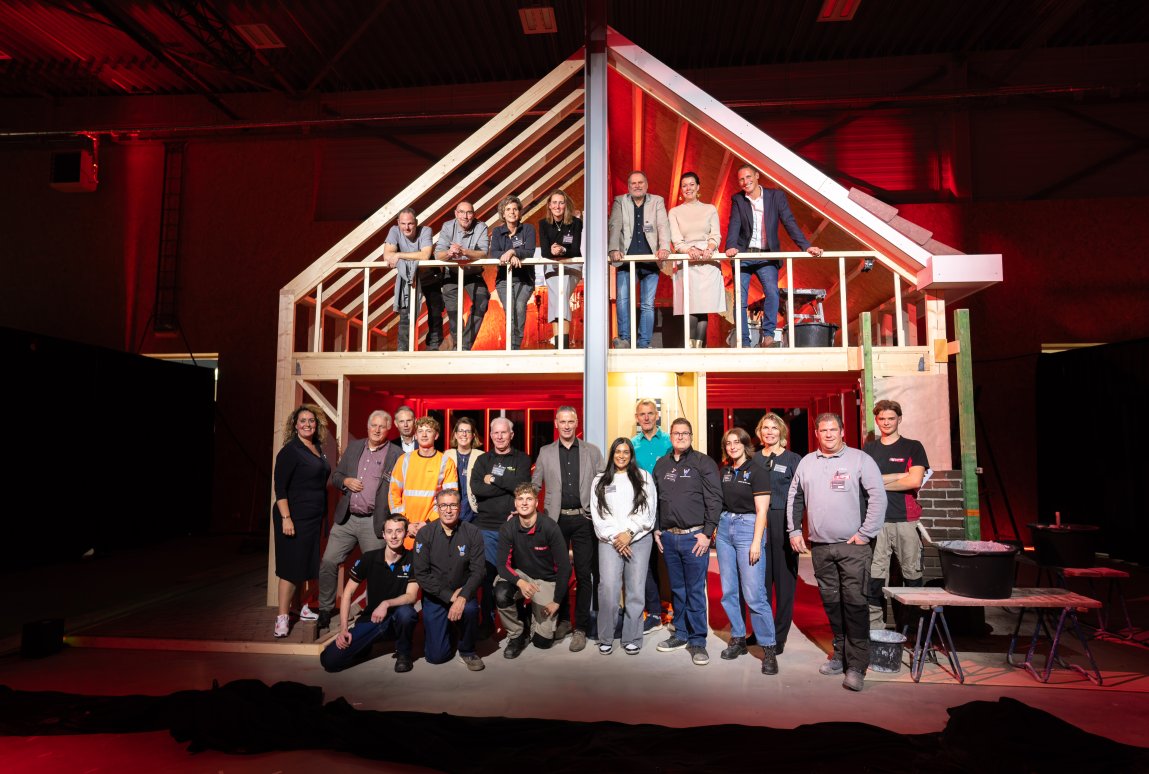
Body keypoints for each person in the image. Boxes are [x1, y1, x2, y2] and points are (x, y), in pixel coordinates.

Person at [787, 413, 886, 692]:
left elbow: (878, 497)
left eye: (833, 429)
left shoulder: (860, 460)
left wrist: (865, 533)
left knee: (854, 604)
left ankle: (856, 666)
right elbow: (794, 498)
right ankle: (840, 655)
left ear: (842, 431)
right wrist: (794, 531)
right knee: (832, 604)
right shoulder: (807, 463)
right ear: (816, 433)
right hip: (821, 548)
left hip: (853, 547)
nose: (829, 434)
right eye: (823, 430)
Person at [318, 410, 404, 629]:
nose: (377, 430)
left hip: (374, 522)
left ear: (388, 429)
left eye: (381, 426)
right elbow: (336, 476)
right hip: (346, 520)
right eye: (373, 425)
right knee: (328, 561)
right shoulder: (355, 447)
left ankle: (375, 613)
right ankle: (325, 610)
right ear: (367, 427)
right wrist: (346, 481)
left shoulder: (397, 454)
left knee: (378, 569)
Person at [724, 164, 823, 348]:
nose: (745, 182)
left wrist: (806, 247)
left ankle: (768, 336)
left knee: (772, 292)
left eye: (748, 177)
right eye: (741, 179)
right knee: (740, 298)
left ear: (757, 175)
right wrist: (730, 247)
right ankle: (744, 341)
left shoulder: (776, 196)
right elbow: (734, 224)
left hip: (767, 255)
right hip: (744, 254)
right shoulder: (738, 199)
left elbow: (789, 222)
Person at [531, 406, 604, 652]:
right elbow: (535, 484)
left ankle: (581, 627)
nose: (566, 426)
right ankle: (563, 621)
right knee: (559, 573)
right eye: (562, 422)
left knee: (584, 575)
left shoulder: (592, 451)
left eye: (570, 421)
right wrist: (524, 505)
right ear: (556, 423)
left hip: (584, 519)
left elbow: (603, 484)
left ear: (577, 423)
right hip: (555, 520)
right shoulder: (545, 452)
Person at [653, 418, 722, 665]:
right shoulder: (661, 464)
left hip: (695, 538)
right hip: (669, 538)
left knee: (694, 591)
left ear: (691, 436)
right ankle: (681, 633)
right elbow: (655, 499)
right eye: (676, 433)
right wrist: (657, 529)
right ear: (670, 436)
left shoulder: (703, 462)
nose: (680, 437)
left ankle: (697, 640)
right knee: (677, 589)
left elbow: (715, 499)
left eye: (685, 433)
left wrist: (707, 533)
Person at [319, 515, 419, 673]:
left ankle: (404, 653)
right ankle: (366, 642)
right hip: (373, 619)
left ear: (406, 533)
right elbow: (348, 593)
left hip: (396, 620)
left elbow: (411, 596)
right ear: (383, 534)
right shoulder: (369, 558)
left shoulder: (413, 559)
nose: (394, 536)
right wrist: (344, 629)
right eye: (389, 531)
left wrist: (386, 604)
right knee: (329, 660)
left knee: (406, 613)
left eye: (399, 531)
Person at [715, 428, 779, 675]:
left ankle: (769, 649)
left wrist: (756, 542)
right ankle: (739, 638)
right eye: (728, 443)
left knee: (754, 594)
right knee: (729, 591)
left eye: (737, 442)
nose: (732, 446)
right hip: (725, 530)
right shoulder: (725, 472)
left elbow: (762, 511)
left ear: (745, 444)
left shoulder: (758, 471)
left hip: (748, 529)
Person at [863, 399, 930, 629]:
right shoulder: (869, 449)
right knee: (875, 579)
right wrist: (899, 476)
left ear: (899, 419)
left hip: (905, 521)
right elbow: (865, 482)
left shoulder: (913, 447)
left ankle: (913, 632)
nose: (886, 422)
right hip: (877, 521)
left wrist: (878, 482)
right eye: (882, 418)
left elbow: (914, 481)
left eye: (891, 418)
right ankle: (876, 631)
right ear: (876, 420)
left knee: (912, 576)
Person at [591, 438, 657, 655]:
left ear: (631, 455)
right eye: (617, 451)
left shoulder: (644, 477)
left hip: (638, 540)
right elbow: (598, 514)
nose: (621, 455)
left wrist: (629, 533)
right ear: (612, 454)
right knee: (608, 589)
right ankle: (606, 637)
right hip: (609, 541)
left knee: (635, 590)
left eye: (626, 452)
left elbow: (649, 511)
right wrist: (616, 537)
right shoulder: (600, 480)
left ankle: (632, 637)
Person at [470, 417, 533, 638]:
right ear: (490, 435)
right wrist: (508, 483)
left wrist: (494, 479)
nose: (499, 436)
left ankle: (520, 623)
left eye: (503, 432)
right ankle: (487, 622)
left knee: (515, 578)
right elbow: (477, 488)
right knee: (487, 577)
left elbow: (522, 486)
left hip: (513, 528)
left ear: (511, 435)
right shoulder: (482, 460)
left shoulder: (522, 459)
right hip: (486, 528)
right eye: (495, 433)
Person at [271, 404, 330, 638]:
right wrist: (286, 518)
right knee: (290, 568)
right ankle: (282, 618)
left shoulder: (316, 448)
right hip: (293, 516)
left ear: (316, 425)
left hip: (313, 517)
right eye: (303, 421)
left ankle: (301, 607)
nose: (307, 424)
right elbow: (280, 488)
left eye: (311, 421)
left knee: (307, 564)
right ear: (295, 425)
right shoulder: (290, 451)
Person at [412, 489, 486, 670]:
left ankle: (467, 650)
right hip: (435, 596)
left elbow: (479, 571)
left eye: (453, 505)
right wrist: (450, 596)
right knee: (436, 657)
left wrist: (463, 596)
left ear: (460, 507)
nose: (448, 510)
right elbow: (421, 574)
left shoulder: (473, 532)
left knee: (469, 609)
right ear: (437, 508)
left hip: (463, 591)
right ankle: (450, 629)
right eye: (443, 505)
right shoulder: (425, 534)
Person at [495, 484, 572, 658]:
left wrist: (556, 602)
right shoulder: (508, 527)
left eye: (529, 499)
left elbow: (564, 567)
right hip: (522, 576)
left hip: (546, 581)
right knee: (501, 592)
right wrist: (520, 582)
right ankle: (517, 634)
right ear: (515, 503)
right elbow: (502, 565)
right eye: (520, 499)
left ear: (536, 503)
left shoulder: (550, 527)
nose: (524, 503)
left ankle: (531, 615)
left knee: (542, 642)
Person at [752, 412, 803, 654]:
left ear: (781, 431)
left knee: (784, 584)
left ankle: (779, 636)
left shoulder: (793, 459)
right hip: (757, 524)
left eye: (774, 428)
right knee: (759, 582)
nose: (770, 432)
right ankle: (761, 632)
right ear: (760, 432)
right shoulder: (753, 459)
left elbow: (800, 495)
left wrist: (796, 528)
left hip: (783, 522)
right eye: (765, 428)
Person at [608, 170, 670, 349]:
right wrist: (613, 248)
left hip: (650, 261)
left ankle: (644, 343)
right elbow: (615, 225)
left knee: (647, 304)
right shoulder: (620, 201)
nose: (637, 186)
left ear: (646, 185)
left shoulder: (657, 201)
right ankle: (625, 339)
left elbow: (663, 225)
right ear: (628, 187)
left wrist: (664, 247)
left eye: (640, 182)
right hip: (626, 260)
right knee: (623, 300)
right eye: (633, 183)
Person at [668, 172, 725, 348]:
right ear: (681, 189)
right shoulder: (674, 212)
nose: (688, 188)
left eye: (691, 184)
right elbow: (676, 239)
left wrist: (710, 248)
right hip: (687, 260)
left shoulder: (710, 209)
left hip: (707, 261)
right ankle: (690, 349)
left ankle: (698, 349)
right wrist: (688, 250)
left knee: (703, 307)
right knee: (691, 306)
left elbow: (716, 234)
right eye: (684, 185)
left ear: (698, 187)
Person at [388, 416, 458, 550]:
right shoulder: (404, 460)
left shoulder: (446, 462)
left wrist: (428, 522)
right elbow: (393, 494)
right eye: (420, 431)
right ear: (415, 435)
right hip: (406, 529)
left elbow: (451, 498)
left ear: (436, 435)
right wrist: (406, 523)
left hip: (433, 527)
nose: (424, 435)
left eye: (429, 431)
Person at [632, 398, 671, 634]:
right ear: (637, 418)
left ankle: (679, 612)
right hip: (642, 511)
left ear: (657, 416)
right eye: (642, 414)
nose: (646, 418)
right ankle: (655, 613)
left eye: (650, 413)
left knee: (672, 562)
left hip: (668, 509)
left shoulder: (669, 441)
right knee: (644, 563)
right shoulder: (631, 445)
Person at [435, 201, 490, 351]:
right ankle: (459, 346)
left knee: (482, 299)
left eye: (469, 213)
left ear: (474, 214)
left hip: (473, 273)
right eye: (461, 212)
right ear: (456, 213)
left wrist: (464, 251)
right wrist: (449, 252)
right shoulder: (448, 226)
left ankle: (463, 346)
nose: (465, 216)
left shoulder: (481, 227)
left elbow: (484, 253)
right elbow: (438, 254)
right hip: (452, 273)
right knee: (453, 311)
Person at [383, 208, 437, 351]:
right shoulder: (394, 231)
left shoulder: (425, 231)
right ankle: (403, 350)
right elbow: (387, 255)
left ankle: (433, 349)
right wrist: (405, 257)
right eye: (403, 223)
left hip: (429, 275)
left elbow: (425, 255)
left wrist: (399, 255)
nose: (406, 227)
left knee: (435, 311)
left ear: (416, 223)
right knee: (405, 313)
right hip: (408, 277)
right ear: (398, 223)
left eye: (410, 224)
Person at [489, 195, 537, 350]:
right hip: (504, 280)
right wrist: (510, 255)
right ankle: (511, 347)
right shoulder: (497, 231)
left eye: (515, 209)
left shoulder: (528, 229)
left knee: (520, 307)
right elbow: (494, 253)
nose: (512, 212)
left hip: (525, 279)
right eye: (508, 209)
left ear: (520, 212)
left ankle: (515, 347)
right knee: (509, 311)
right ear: (503, 213)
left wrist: (513, 252)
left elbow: (529, 251)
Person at [537, 188, 583, 349]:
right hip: (552, 266)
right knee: (556, 300)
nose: (557, 206)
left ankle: (563, 346)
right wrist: (552, 251)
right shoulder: (543, 224)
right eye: (554, 203)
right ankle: (560, 345)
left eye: (561, 203)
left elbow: (575, 249)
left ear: (566, 205)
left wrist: (562, 250)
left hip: (571, 265)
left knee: (560, 297)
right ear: (549, 205)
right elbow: (544, 252)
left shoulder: (576, 223)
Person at [444, 416, 483, 526]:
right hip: (451, 511)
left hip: (475, 513)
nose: (464, 434)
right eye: (461, 431)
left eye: (468, 431)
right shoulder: (446, 456)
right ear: (455, 435)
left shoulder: (481, 457)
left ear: (473, 435)